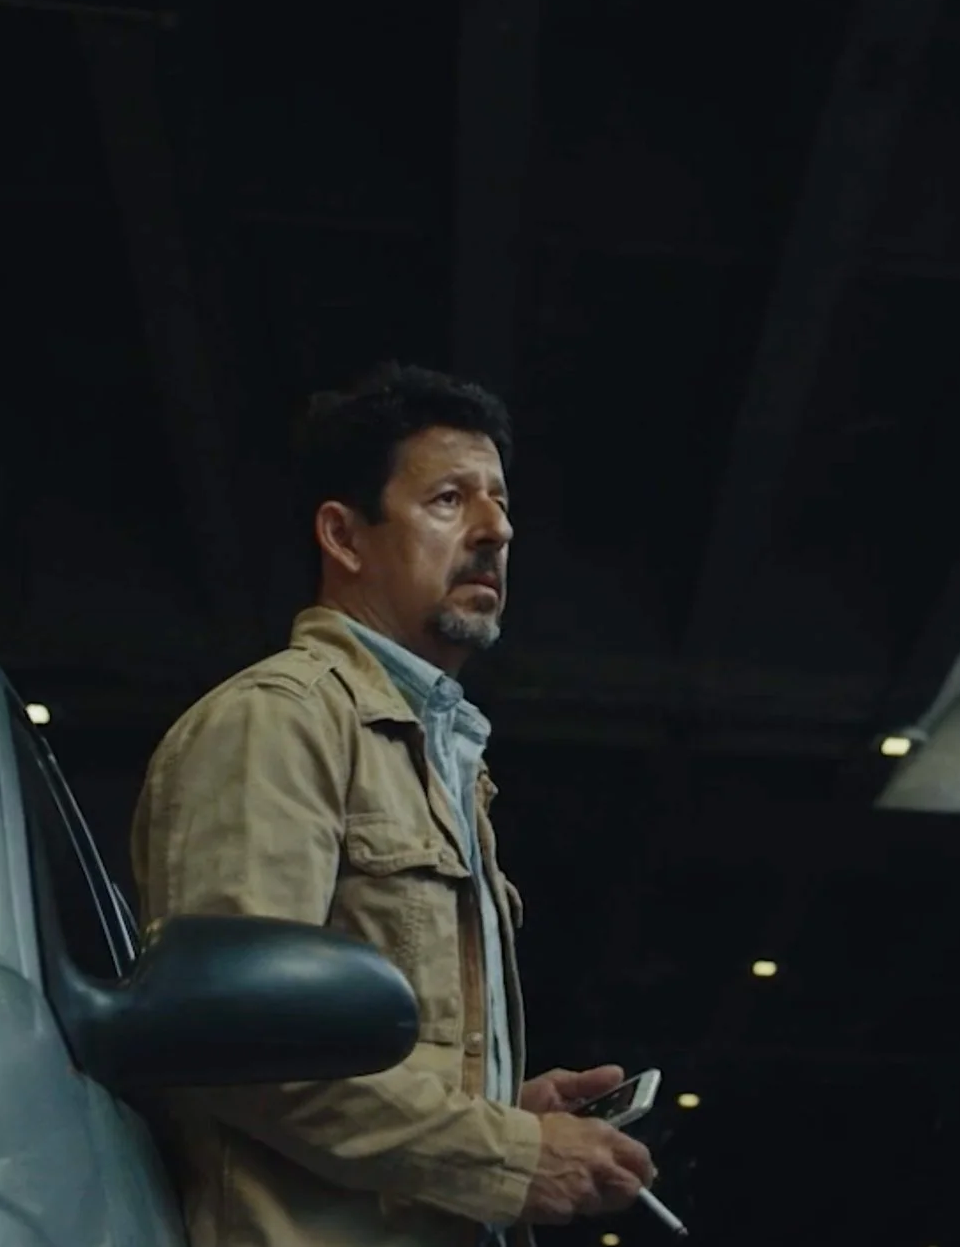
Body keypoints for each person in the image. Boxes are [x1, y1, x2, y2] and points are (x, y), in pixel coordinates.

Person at [131, 362, 656, 1246]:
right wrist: (507, 1154)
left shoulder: (438, 756)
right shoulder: (277, 722)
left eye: (500, 504)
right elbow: (236, 1041)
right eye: (449, 500)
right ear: (344, 536)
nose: (496, 530)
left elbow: (356, 1060)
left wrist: (500, 1107)